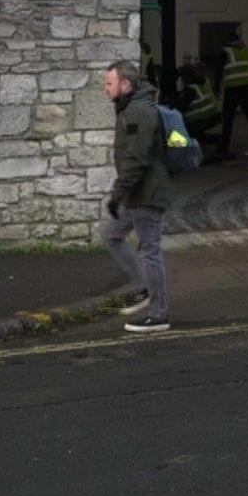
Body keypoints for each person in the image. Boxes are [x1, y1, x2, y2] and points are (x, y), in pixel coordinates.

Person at [98, 60, 171, 332]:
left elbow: (137, 159)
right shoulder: (131, 108)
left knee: (150, 251)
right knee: (111, 234)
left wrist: (118, 194)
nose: (105, 89)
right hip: (138, 191)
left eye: (109, 83)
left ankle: (159, 315)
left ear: (125, 84)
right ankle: (142, 289)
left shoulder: (139, 112)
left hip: (146, 192)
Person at [218, 28, 248, 159]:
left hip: (233, 89)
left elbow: (218, 71)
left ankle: (224, 149)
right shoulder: (246, 50)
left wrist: (217, 88)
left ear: (228, 41)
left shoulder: (225, 51)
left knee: (228, 120)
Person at [178, 63, 222, 148]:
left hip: (201, 117)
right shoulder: (203, 81)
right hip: (213, 114)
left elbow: (181, 104)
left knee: (187, 132)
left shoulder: (191, 88)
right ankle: (215, 139)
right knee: (197, 134)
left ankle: (203, 143)